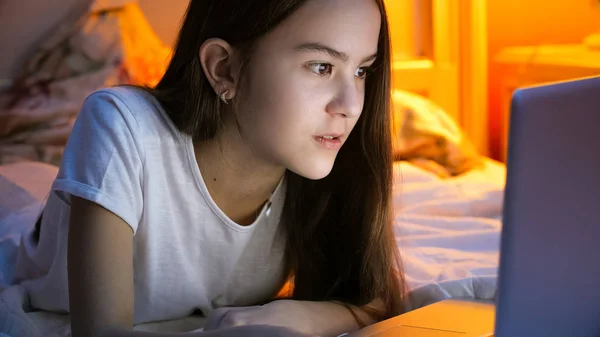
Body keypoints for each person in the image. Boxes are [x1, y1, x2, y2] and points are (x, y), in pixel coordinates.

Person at [10, 0, 407, 336]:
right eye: (322, 67)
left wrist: (299, 314)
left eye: (362, 71)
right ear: (223, 69)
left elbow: (375, 297)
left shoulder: (317, 161)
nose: (351, 105)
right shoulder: (121, 126)